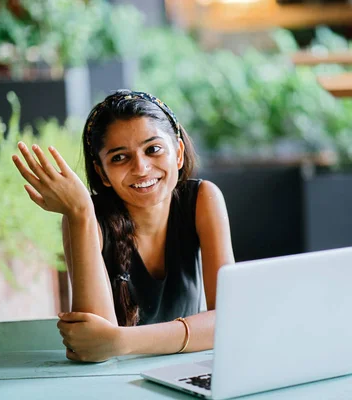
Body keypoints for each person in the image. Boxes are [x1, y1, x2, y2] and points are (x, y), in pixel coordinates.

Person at [12, 90, 235, 362]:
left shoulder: (203, 199)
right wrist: (80, 212)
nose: (141, 168)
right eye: (119, 157)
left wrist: (119, 341)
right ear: (101, 172)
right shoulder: (86, 218)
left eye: (153, 149)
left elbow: (229, 321)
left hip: (185, 370)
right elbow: (92, 349)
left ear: (178, 153)